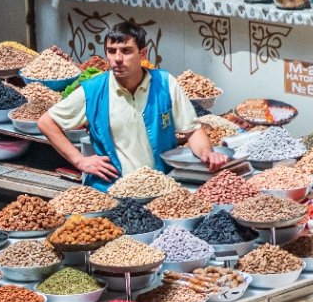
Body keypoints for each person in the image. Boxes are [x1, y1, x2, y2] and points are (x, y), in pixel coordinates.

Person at [37, 21, 226, 190]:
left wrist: (208, 154)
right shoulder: (93, 90)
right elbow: (46, 122)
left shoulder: (165, 84)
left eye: (126, 51)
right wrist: (80, 161)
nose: (117, 58)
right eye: (111, 51)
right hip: (111, 189)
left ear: (142, 53)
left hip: (162, 188)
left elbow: (192, 130)